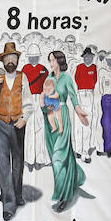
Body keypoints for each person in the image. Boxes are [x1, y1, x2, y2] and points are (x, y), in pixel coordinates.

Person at [0, 42, 36, 220]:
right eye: (7, 58)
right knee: (3, 163)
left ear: (17, 60)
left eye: (13, 58)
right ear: (3, 60)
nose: (10, 61)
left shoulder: (22, 78)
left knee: (17, 162)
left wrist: (24, 118)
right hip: (0, 123)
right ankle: (8, 204)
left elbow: (29, 101)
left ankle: (16, 193)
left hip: (17, 123)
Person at [44, 50, 88, 212]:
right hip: (49, 119)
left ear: (60, 61)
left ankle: (63, 195)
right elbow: (45, 98)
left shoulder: (67, 78)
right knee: (58, 155)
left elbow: (73, 97)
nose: (51, 63)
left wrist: (79, 111)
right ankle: (75, 177)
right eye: (49, 60)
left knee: (59, 157)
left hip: (62, 116)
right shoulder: (48, 79)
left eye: (53, 60)